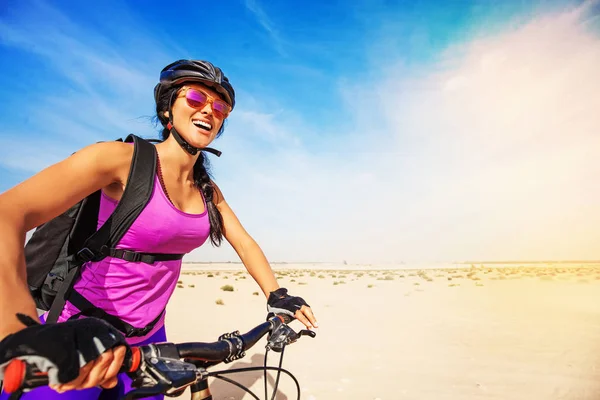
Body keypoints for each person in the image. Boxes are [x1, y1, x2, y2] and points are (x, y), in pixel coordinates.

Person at [0, 59, 318, 399]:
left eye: (220, 106)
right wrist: (17, 329)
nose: (209, 110)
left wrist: (276, 295)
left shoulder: (207, 190)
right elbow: (9, 212)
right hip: (80, 337)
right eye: (195, 98)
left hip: (149, 341)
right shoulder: (119, 159)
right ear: (167, 110)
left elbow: (243, 241)